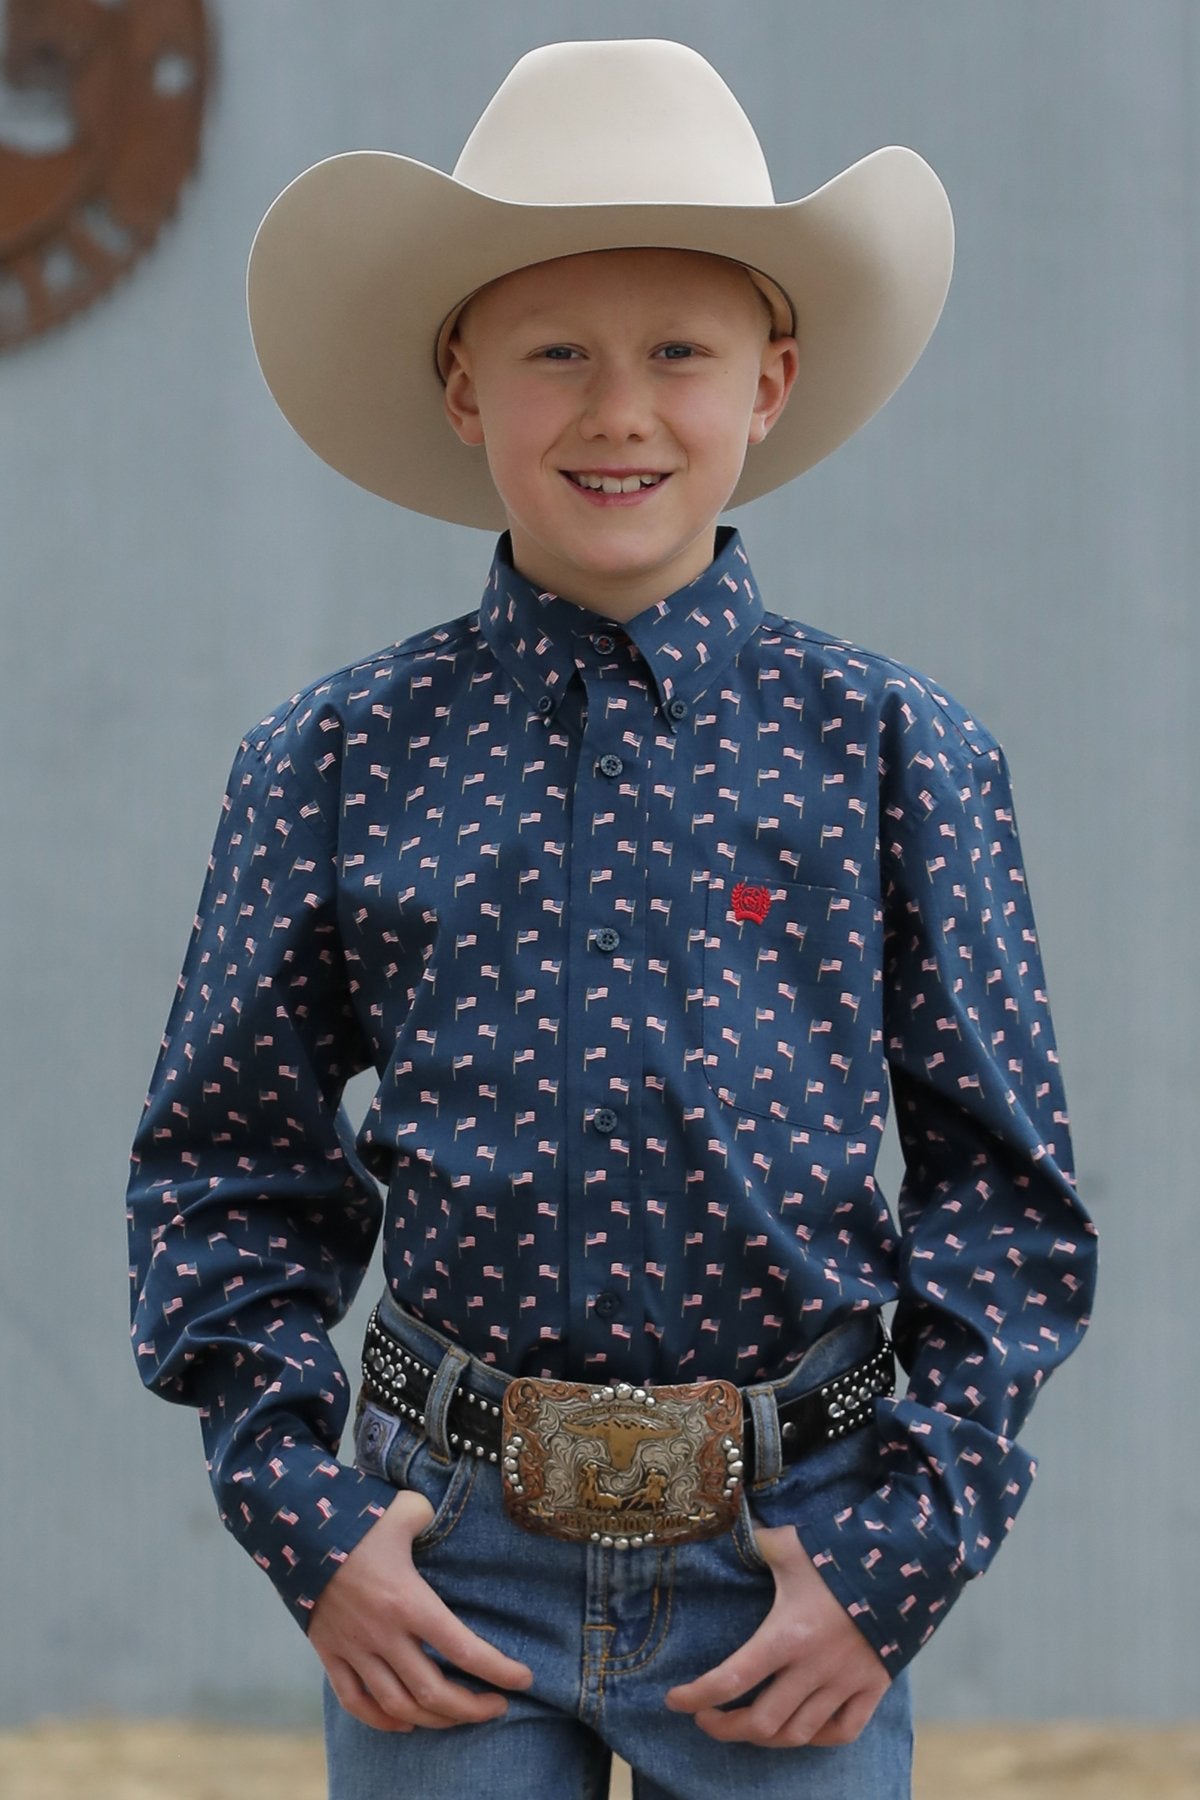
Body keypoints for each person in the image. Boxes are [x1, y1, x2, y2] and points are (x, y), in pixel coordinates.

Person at [126, 38, 1096, 1799]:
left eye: (679, 353)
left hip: (792, 1554)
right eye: (556, 351)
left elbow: (1004, 1199)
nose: (619, 410)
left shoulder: (898, 754)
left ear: (773, 380)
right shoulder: (333, 761)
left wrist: (900, 1554)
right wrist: (311, 1522)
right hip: (445, 1558)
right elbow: (224, 1172)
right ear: (461, 385)